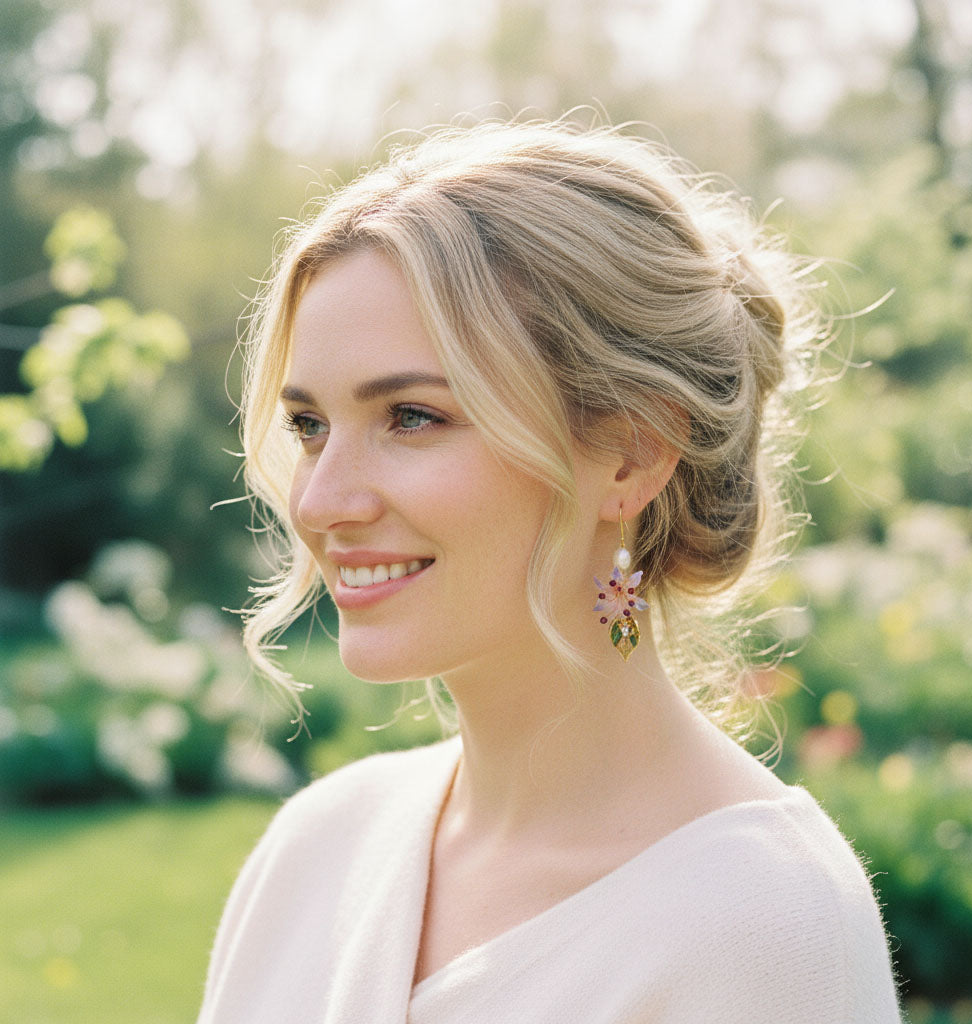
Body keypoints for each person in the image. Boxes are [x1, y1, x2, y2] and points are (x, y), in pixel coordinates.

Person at [197, 118, 903, 1023]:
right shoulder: (316, 852)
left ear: (631, 453)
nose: (321, 501)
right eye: (309, 427)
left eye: (412, 417)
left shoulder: (765, 924)